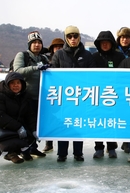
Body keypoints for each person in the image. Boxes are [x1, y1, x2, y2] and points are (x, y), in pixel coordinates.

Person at [52, 25, 96, 162]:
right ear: (66, 38)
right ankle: (62, 153)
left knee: (78, 124)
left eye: (75, 36)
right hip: (64, 97)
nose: (73, 39)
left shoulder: (87, 55)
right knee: (64, 124)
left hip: (81, 97)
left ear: (79, 37)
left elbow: (93, 74)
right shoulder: (59, 54)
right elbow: (52, 73)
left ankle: (78, 153)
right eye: (69, 36)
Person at [0, 72, 39, 169]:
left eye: (18, 83)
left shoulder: (24, 96)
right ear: (7, 84)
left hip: (13, 127)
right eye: (12, 83)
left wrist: (34, 130)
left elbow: (30, 115)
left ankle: (12, 153)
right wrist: (18, 127)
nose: (16, 85)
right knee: (6, 142)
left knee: (29, 138)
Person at [13, 31, 49, 158]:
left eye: (39, 43)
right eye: (34, 43)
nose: (37, 45)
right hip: (25, 97)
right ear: (29, 45)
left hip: (40, 98)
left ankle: (33, 147)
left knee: (35, 124)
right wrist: (35, 68)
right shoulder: (22, 55)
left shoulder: (44, 58)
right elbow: (17, 72)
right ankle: (24, 149)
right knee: (25, 124)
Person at [92, 30, 125, 158]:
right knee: (98, 121)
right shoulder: (94, 57)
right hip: (98, 95)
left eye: (107, 43)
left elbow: (124, 76)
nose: (105, 45)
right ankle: (99, 147)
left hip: (114, 95)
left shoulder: (119, 57)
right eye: (102, 43)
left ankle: (112, 147)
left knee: (111, 121)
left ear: (112, 43)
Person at [42, 37, 64, 153]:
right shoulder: (46, 59)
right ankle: (48, 143)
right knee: (49, 118)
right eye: (56, 47)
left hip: (64, 92)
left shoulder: (65, 57)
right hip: (50, 92)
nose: (58, 49)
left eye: (60, 47)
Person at [116, 27, 130, 153]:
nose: (124, 40)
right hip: (117, 86)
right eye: (122, 37)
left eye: (127, 37)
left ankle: (127, 141)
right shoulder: (115, 51)